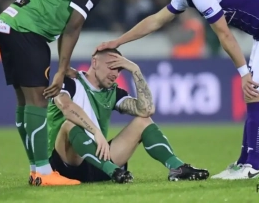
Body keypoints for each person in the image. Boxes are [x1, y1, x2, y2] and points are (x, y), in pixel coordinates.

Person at [95, 0, 259, 180]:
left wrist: (243, 73)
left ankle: (253, 166)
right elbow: (155, 21)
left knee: (254, 93)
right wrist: (118, 41)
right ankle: (245, 162)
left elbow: (224, 35)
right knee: (258, 96)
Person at [0, 0, 122, 186]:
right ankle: (43, 172)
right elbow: (73, 27)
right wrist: (61, 71)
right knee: (39, 101)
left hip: (8, 23)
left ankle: (36, 170)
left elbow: (65, 25)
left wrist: (64, 65)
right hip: (27, 30)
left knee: (24, 101)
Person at [45, 48, 209, 185]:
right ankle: (112, 170)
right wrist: (95, 131)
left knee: (143, 121)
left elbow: (147, 110)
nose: (115, 74)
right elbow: (66, 107)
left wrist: (135, 70)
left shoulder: (113, 92)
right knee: (69, 125)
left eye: (119, 69)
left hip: (98, 164)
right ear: (94, 62)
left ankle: (177, 167)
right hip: (64, 164)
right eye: (111, 67)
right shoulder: (69, 81)